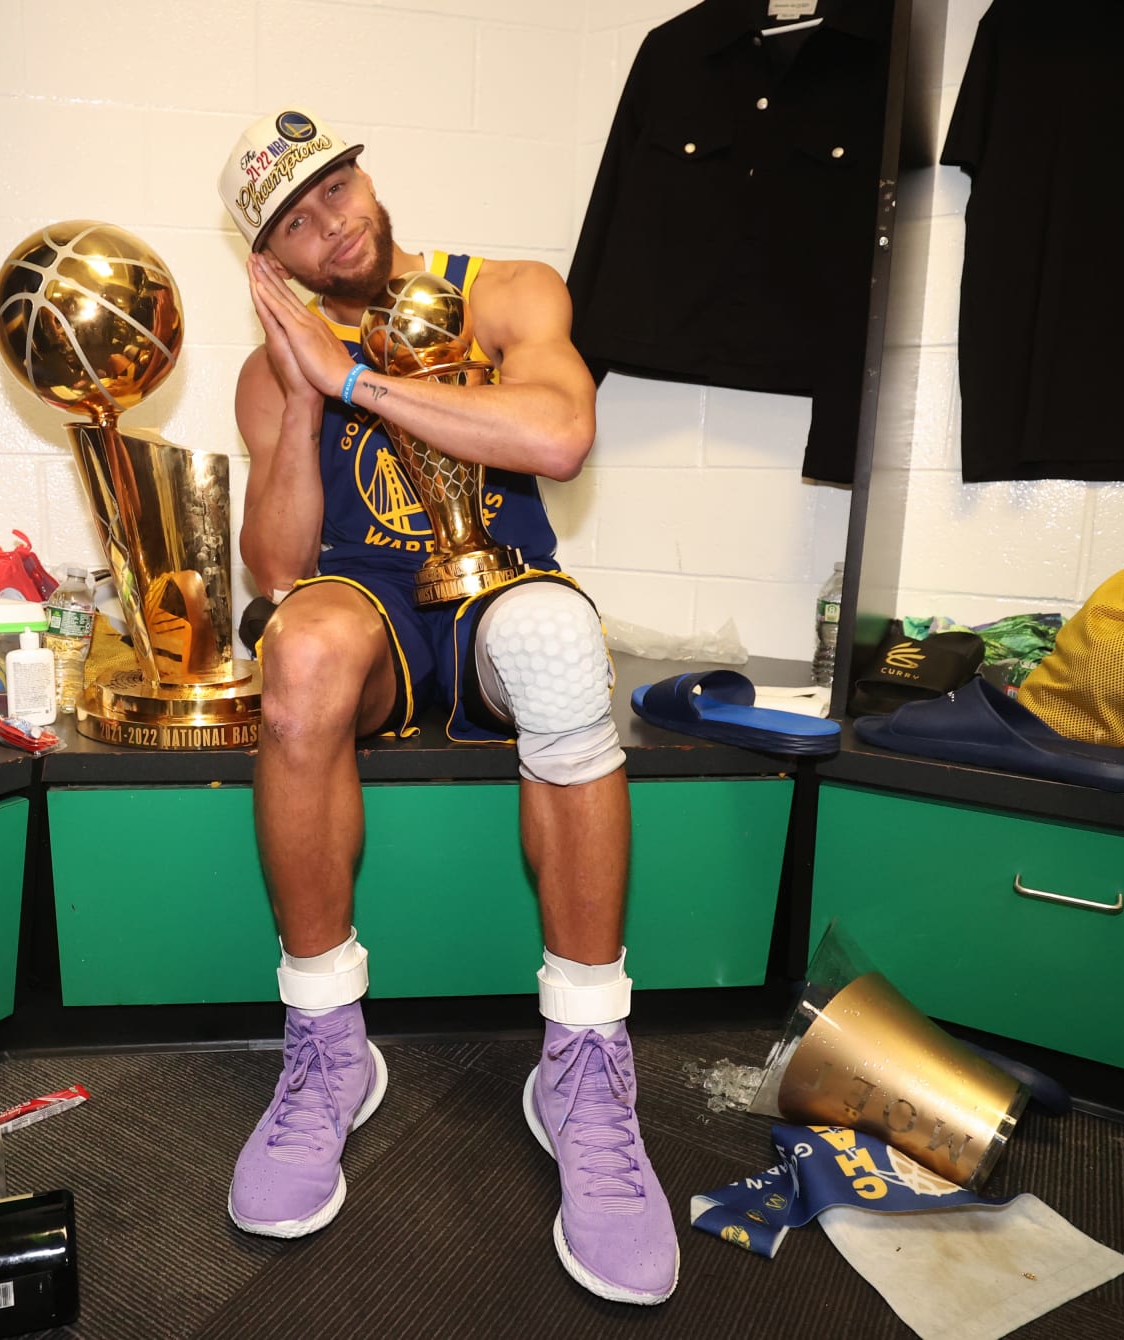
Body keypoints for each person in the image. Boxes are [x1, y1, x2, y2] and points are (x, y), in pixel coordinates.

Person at [215, 107, 678, 1306]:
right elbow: (275, 568)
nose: (332, 224)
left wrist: (357, 377)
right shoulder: (273, 371)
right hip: (370, 615)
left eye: (335, 188)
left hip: (500, 589)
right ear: (271, 261)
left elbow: (560, 436)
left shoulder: (508, 293)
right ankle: (328, 1045)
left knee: (563, 643)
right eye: (296, 223)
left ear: (366, 175)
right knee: (298, 654)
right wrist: (307, 397)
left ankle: (583, 1062)